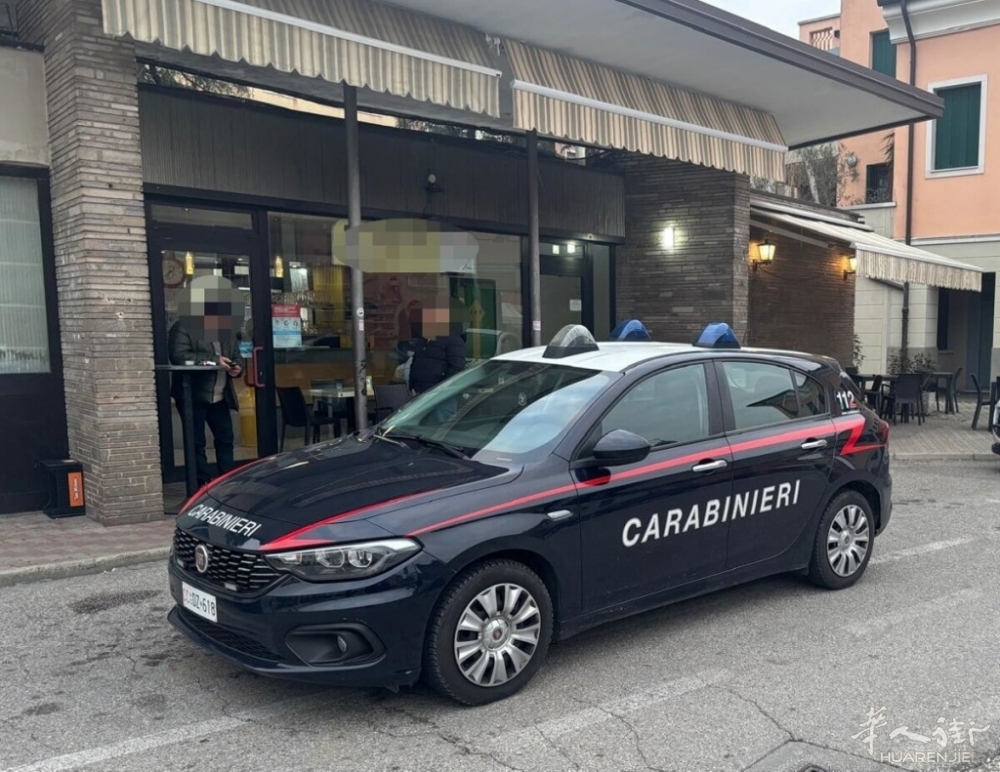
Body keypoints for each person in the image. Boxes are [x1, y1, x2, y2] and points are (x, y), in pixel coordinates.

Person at [169, 277, 245, 486]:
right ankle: (200, 484)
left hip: (220, 394)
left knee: (225, 439)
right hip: (193, 393)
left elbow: (236, 356)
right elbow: (179, 356)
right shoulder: (183, 327)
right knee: (196, 443)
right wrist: (214, 361)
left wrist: (236, 368)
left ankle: (227, 482)